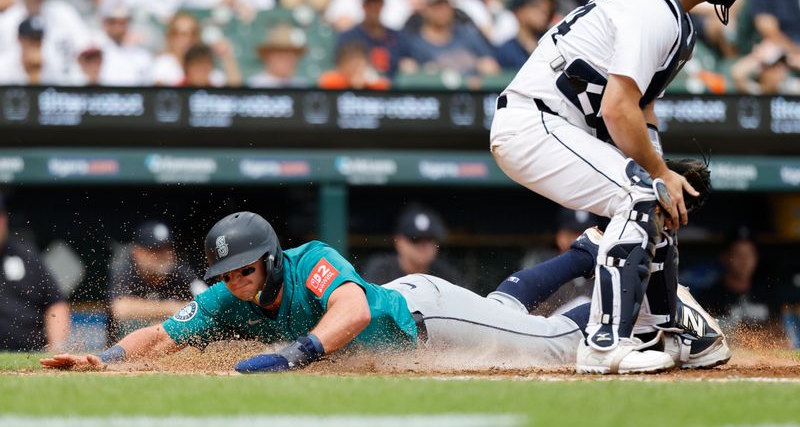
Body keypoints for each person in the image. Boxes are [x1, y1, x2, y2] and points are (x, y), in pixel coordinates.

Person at [490, 0, 757, 374]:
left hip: (559, 125)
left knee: (657, 204)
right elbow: (616, 109)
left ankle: (668, 329)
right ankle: (604, 342)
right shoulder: (655, 8)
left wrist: (662, 172)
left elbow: (641, 107)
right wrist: (656, 172)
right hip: (536, 122)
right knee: (641, 194)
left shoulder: (671, 16)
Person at [40, 211, 729, 373]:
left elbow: (353, 308)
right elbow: (162, 333)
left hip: (424, 318)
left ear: (271, 263)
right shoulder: (230, 298)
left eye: (243, 271)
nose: (233, 287)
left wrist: (295, 355)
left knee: (556, 342)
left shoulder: (310, 260)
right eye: (224, 277)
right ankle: (587, 250)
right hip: (423, 319)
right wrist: (106, 359)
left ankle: (643, 296)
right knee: (509, 311)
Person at [109, 220, 207, 340]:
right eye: (155, 250)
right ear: (138, 253)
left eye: (167, 249)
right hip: (125, 352)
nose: (163, 255)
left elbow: (206, 302)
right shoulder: (127, 272)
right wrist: (171, 308)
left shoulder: (182, 273)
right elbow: (121, 309)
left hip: (172, 352)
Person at [0, 194, 70, 351]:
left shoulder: (27, 256)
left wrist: (56, 348)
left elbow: (56, 305)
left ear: (4, 219)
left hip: (31, 354)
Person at [361, 203, 461, 286]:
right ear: (399, 242)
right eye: (416, 239)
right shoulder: (381, 271)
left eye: (430, 239)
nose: (424, 246)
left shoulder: (444, 274)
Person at [700, 231, 770, 333]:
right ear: (724, 257)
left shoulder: (767, 293)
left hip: (761, 348)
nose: (744, 261)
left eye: (749, 254)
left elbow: (780, 334)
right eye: (738, 255)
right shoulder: (709, 296)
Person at [247, 23, 310, 88]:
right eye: (281, 57)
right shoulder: (255, 84)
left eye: (291, 57)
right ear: (268, 57)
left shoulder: (301, 85)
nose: (287, 62)